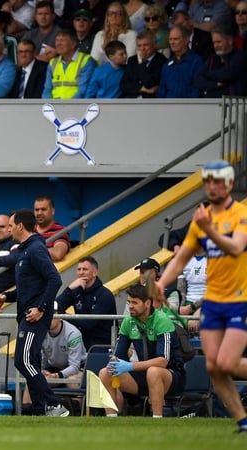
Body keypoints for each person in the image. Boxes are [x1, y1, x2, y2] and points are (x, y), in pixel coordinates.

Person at [154, 160, 247, 432]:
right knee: (213, 367)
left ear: (229, 184)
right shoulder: (202, 219)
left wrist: (208, 229)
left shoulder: (240, 214)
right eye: (209, 181)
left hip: (238, 299)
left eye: (219, 181)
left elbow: (235, 246)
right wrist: (162, 284)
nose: (213, 186)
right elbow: (181, 258)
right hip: (213, 303)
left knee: (227, 362)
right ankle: (243, 422)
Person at [0, 209, 67, 417]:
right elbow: (29, 288)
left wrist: (41, 309)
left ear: (19, 226)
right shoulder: (26, 250)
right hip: (27, 315)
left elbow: (55, 279)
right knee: (31, 362)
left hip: (34, 317)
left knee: (22, 361)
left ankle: (53, 405)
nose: (7, 229)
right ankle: (39, 411)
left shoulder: (35, 249)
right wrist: (7, 297)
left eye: (9, 225)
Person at [98, 283, 186, 417]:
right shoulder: (128, 322)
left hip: (171, 375)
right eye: (128, 302)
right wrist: (114, 362)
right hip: (143, 374)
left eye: (135, 302)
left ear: (147, 303)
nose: (130, 306)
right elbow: (119, 356)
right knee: (105, 372)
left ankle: (157, 419)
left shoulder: (162, 320)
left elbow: (163, 361)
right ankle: (111, 418)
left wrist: (130, 366)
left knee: (154, 371)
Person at [22, 313, 87, 408]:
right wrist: (43, 371)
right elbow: (40, 358)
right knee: (33, 379)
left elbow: (75, 366)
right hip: (55, 368)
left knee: (72, 380)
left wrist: (57, 375)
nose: (49, 319)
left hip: (79, 369)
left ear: (60, 317)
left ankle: (77, 413)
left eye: (52, 315)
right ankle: (27, 414)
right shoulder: (41, 332)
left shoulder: (73, 333)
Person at [55, 256, 117, 351]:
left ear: (95, 273)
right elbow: (55, 306)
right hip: (79, 343)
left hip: (102, 346)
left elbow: (88, 323)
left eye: (85, 269)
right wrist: (69, 289)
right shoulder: (75, 291)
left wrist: (63, 316)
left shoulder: (105, 295)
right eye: (79, 269)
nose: (81, 272)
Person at [194, 27, 247, 98]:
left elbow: (227, 75)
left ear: (230, 41)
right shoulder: (212, 58)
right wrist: (215, 85)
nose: (215, 46)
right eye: (214, 43)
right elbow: (198, 80)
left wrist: (207, 74)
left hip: (234, 104)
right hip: (210, 104)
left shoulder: (240, 56)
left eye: (219, 42)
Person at [42, 30, 96, 99]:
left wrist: (69, 106)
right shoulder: (53, 62)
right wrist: (49, 106)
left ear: (73, 44)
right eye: (57, 40)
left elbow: (83, 90)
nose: (58, 44)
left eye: (62, 40)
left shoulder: (86, 60)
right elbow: (47, 89)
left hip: (76, 106)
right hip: (54, 106)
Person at [158, 25, 203, 98]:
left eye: (176, 39)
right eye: (170, 39)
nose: (172, 42)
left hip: (189, 106)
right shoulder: (167, 65)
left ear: (186, 40)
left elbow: (198, 89)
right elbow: (162, 91)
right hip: (169, 107)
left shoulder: (196, 62)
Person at [119, 30, 167, 98]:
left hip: (150, 102)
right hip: (131, 100)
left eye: (146, 45)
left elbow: (148, 83)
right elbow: (123, 85)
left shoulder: (161, 61)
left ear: (154, 45)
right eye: (139, 46)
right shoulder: (132, 60)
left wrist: (141, 62)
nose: (142, 49)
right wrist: (142, 89)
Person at [34, 195, 71, 262]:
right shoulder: (29, 230)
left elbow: (57, 254)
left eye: (43, 209)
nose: (39, 213)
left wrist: (29, 251)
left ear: (53, 211)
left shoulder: (60, 231)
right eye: (37, 210)